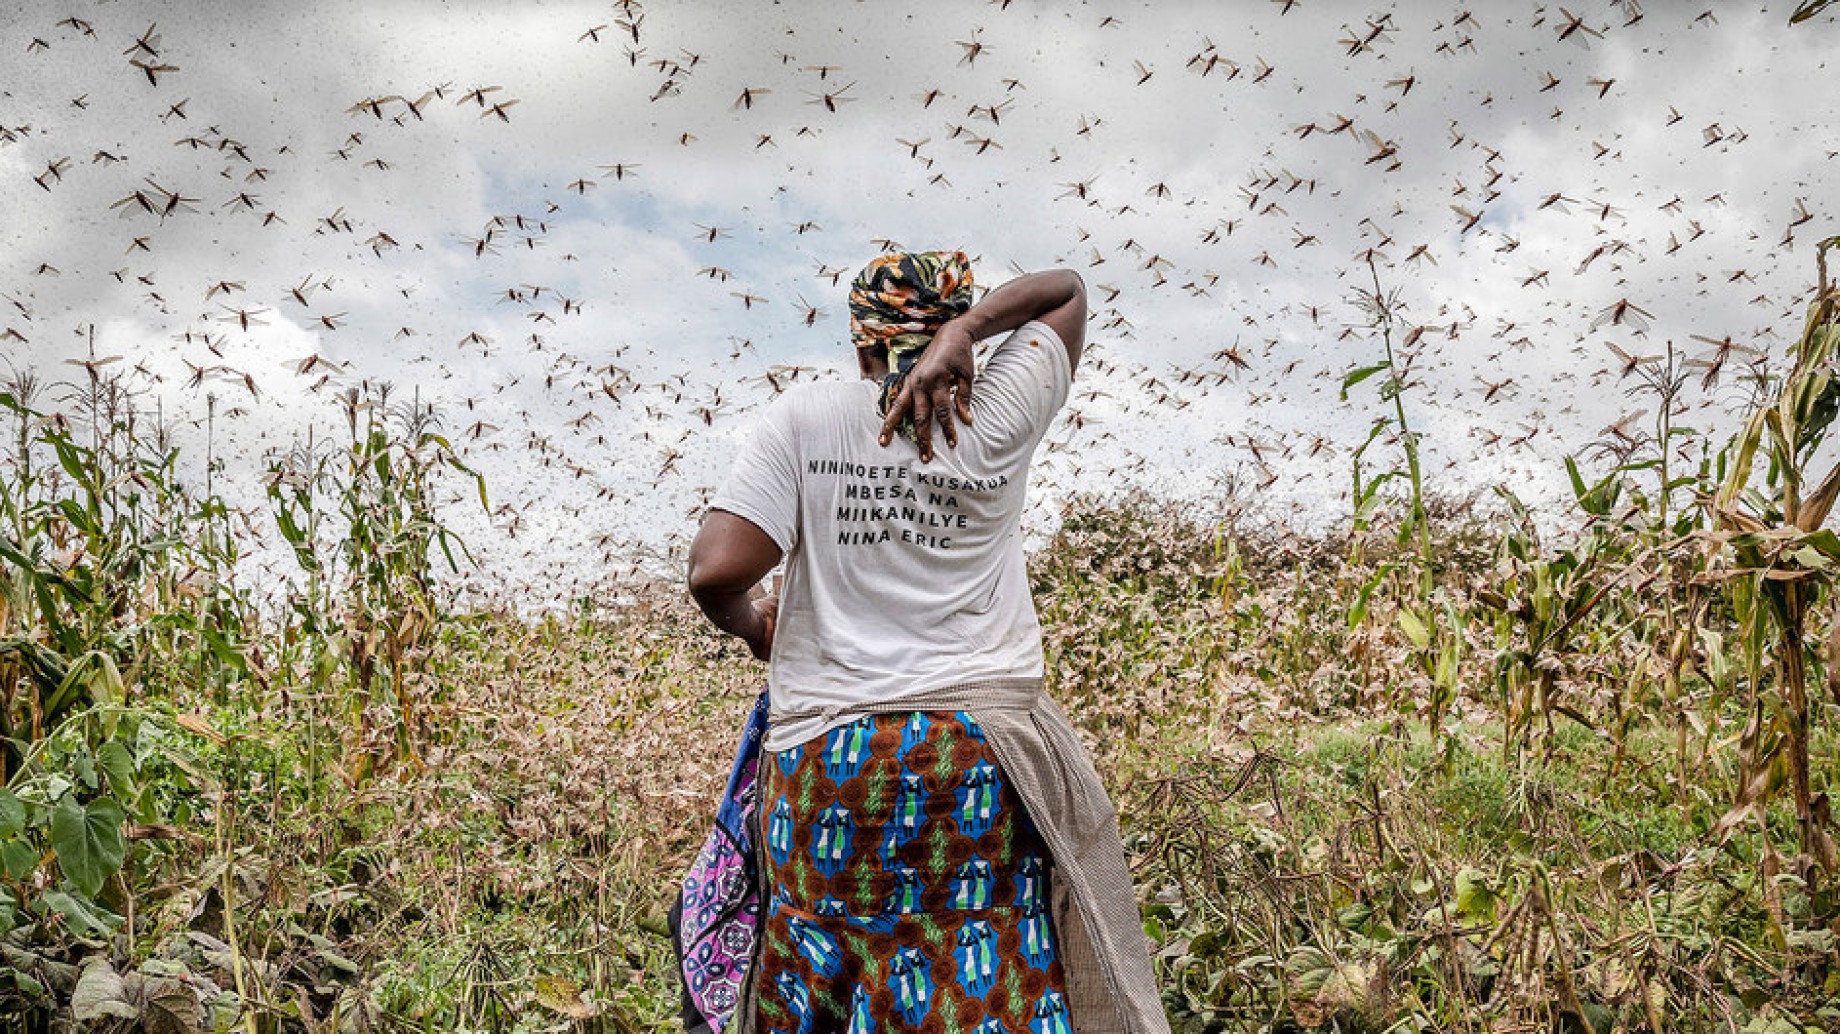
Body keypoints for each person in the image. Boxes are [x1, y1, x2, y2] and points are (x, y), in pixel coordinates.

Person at [688, 251, 1167, 1034]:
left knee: (828, 969)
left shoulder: (805, 419)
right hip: (981, 764)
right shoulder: (1002, 408)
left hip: (833, 768)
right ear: (953, 339)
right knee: (987, 973)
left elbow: (716, 571)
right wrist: (972, 332)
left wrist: (757, 627)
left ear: (862, 344)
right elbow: (1068, 292)